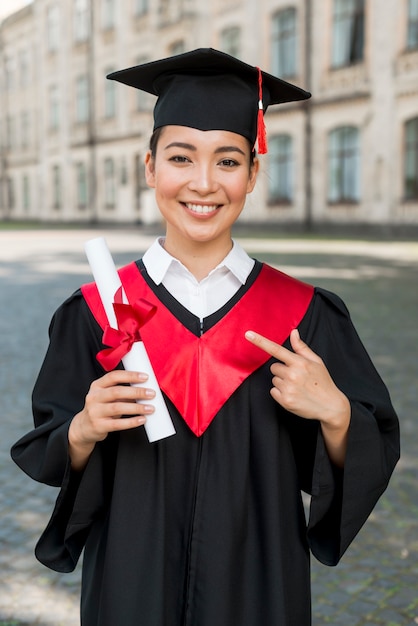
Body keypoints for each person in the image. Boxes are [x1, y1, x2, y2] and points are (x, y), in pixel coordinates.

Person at [11, 48, 400, 626]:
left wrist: (338, 414)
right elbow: (47, 448)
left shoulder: (306, 315)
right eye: (180, 157)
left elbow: (370, 449)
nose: (203, 182)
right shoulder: (94, 313)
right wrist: (83, 428)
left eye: (227, 161)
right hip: (130, 575)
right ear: (149, 169)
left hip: (258, 577)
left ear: (251, 175)